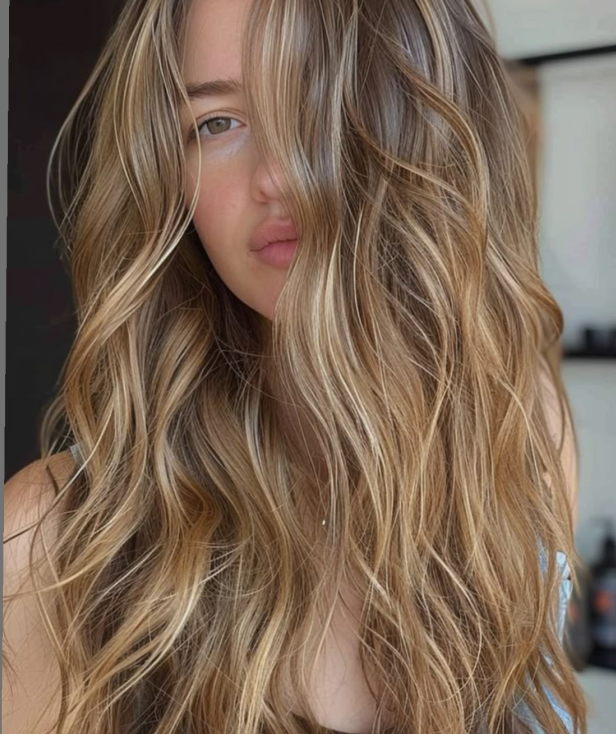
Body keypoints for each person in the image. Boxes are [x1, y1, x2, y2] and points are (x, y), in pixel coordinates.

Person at [3, 0, 586, 733]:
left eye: (317, 99)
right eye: (218, 123)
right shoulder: (53, 541)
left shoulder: (521, 439)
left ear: (432, 123)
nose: (277, 176)